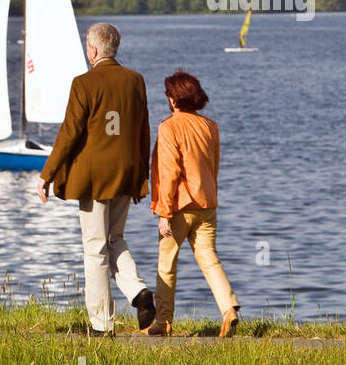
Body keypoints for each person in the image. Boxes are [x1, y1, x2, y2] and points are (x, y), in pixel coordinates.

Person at [37, 22, 155, 336]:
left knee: (95, 248)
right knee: (114, 240)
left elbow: (70, 133)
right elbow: (143, 130)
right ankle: (140, 293)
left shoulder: (83, 83)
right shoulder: (136, 81)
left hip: (95, 179)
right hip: (125, 173)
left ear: (92, 50)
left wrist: (47, 173)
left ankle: (102, 325)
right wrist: (142, 176)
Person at [149, 70, 240, 337]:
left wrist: (164, 213)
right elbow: (214, 164)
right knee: (210, 259)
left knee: (167, 263)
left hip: (178, 206)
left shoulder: (169, 127)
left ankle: (163, 322)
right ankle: (229, 309)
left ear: (173, 99)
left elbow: (169, 173)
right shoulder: (210, 126)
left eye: (168, 95)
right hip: (207, 204)